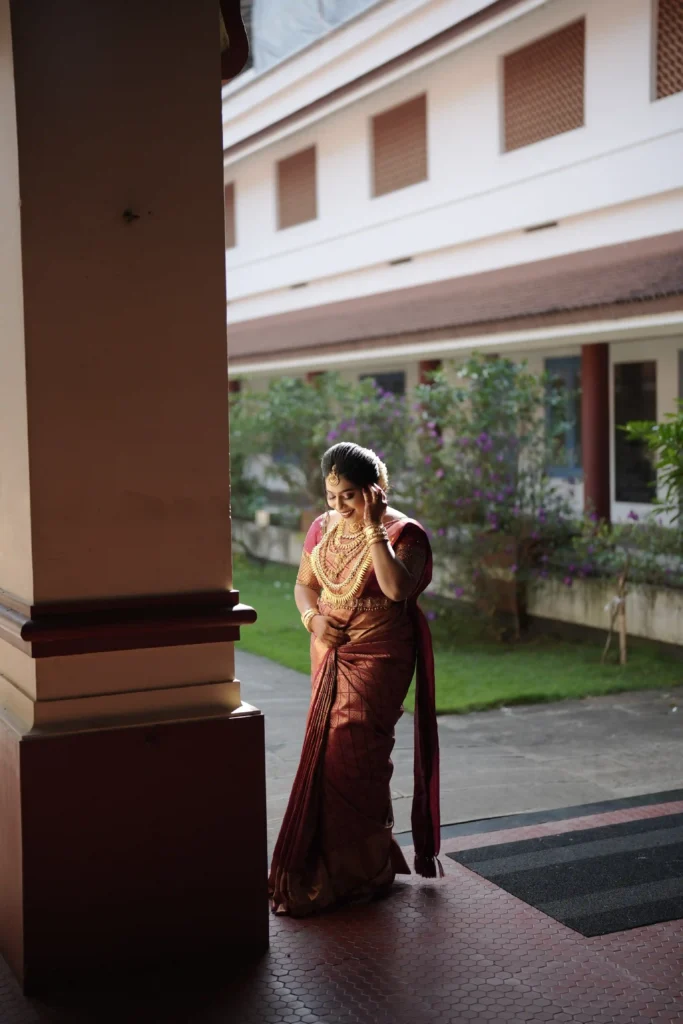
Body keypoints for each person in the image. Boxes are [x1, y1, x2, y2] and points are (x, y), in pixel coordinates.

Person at [268, 442, 441, 917]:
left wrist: (370, 528)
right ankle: (342, 864)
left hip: (379, 656)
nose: (339, 505)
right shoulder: (322, 528)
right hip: (328, 649)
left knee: (357, 757)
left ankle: (360, 872)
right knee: (326, 757)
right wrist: (312, 621)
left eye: (350, 495)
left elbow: (395, 588)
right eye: (332, 495)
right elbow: (305, 585)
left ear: (375, 489)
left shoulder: (406, 534)